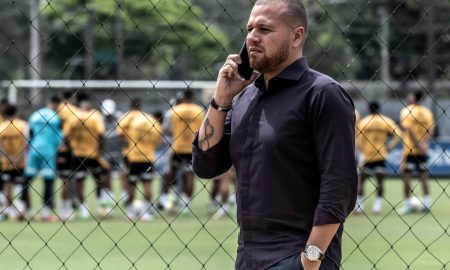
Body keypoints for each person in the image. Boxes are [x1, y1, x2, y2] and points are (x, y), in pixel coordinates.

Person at [192, 1, 357, 269]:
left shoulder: (322, 93)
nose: (252, 37)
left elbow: (340, 185)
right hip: (248, 257)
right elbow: (206, 165)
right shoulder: (244, 97)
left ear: (297, 36)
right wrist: (221, 100)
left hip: (296, 256)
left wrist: (311, 259)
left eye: (265, 29)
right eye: (250, 28)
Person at [64, 93, 110, 219]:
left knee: (80, 181)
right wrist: (100, 153)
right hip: (93, 154)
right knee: (100, 178)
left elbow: (66, 136)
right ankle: (102, 204)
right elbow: (101, 135)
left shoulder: (73, 117)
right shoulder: (95, 115)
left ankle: (84, 208)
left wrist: (71, 148)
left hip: (77, 154)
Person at [355, 101, 402, 214]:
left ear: (369, 109)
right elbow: (398, 134)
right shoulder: (386, 121)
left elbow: (358, 139)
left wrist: (361, 149)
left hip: (367, 156)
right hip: (381, 155)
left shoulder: (364, 122)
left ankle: (359, 206)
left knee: (361, 181)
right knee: (380, 182)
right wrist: (390, 147)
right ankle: (377, 206)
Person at [22, 96, 63, 221]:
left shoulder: (35, 115)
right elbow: (59, 138)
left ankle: (22, 209)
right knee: (48, 181)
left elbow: (27, 133)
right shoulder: (56, 118)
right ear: (57, 105)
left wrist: (27, 149)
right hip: (48, 152)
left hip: (34, 149)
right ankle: (46, 213)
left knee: (27, 179)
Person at [165, 90, 205, 214]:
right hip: (193, 148)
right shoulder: (199, 110)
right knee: (190, 176)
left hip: (177, 147)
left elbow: (166, 129)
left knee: (171, 172)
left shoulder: (174, 111)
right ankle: (186, 204)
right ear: (193, 97)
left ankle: (167, 198)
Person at [398, 91, 434, 214]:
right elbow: (431, 129)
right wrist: (424, 144)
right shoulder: (427, 112)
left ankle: (408, 204)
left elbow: (407, 129)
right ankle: (427, 203)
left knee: (407, 176)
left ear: (413, 98)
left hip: (410, 149)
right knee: (424, 176)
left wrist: (417, 144)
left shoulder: (406, 110)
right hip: (423, 150)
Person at [123, 109, 162, 221]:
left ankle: (130, 212)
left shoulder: (133, 122)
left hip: (133, 157)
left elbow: (123, 134)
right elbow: (157, 140)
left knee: (131, 184)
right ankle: (145, 212)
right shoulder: (153, 123)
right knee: (147, 184)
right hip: (147, 158)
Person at [0, 104, 28, 220]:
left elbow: (0, 146)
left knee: (7, 185)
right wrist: (19, 158)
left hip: (6, 162)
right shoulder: (23, 125)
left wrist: (8, 157)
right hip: (20, 162)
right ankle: (20, 208)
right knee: (20, 184)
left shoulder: (2, 127)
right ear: (16, 112)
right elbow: (26, 144)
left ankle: (9, 210)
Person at [116, 98, 145, 202]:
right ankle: (146, 203)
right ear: (140, 106)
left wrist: (128, 144)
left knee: (126, 174)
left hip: (128, 152)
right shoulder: (145, 118)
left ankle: (126, 196)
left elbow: (119, 135)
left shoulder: (124, 117)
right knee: (146, 179)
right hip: (144, 153)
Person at [56, 90, 79, 220]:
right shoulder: (73, 110)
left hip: (56, 146)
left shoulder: (56, 109)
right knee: (67, 179)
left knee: (63, 178)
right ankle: (65, 209)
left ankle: (64, 207)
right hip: (68, 147)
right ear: (71, 97)